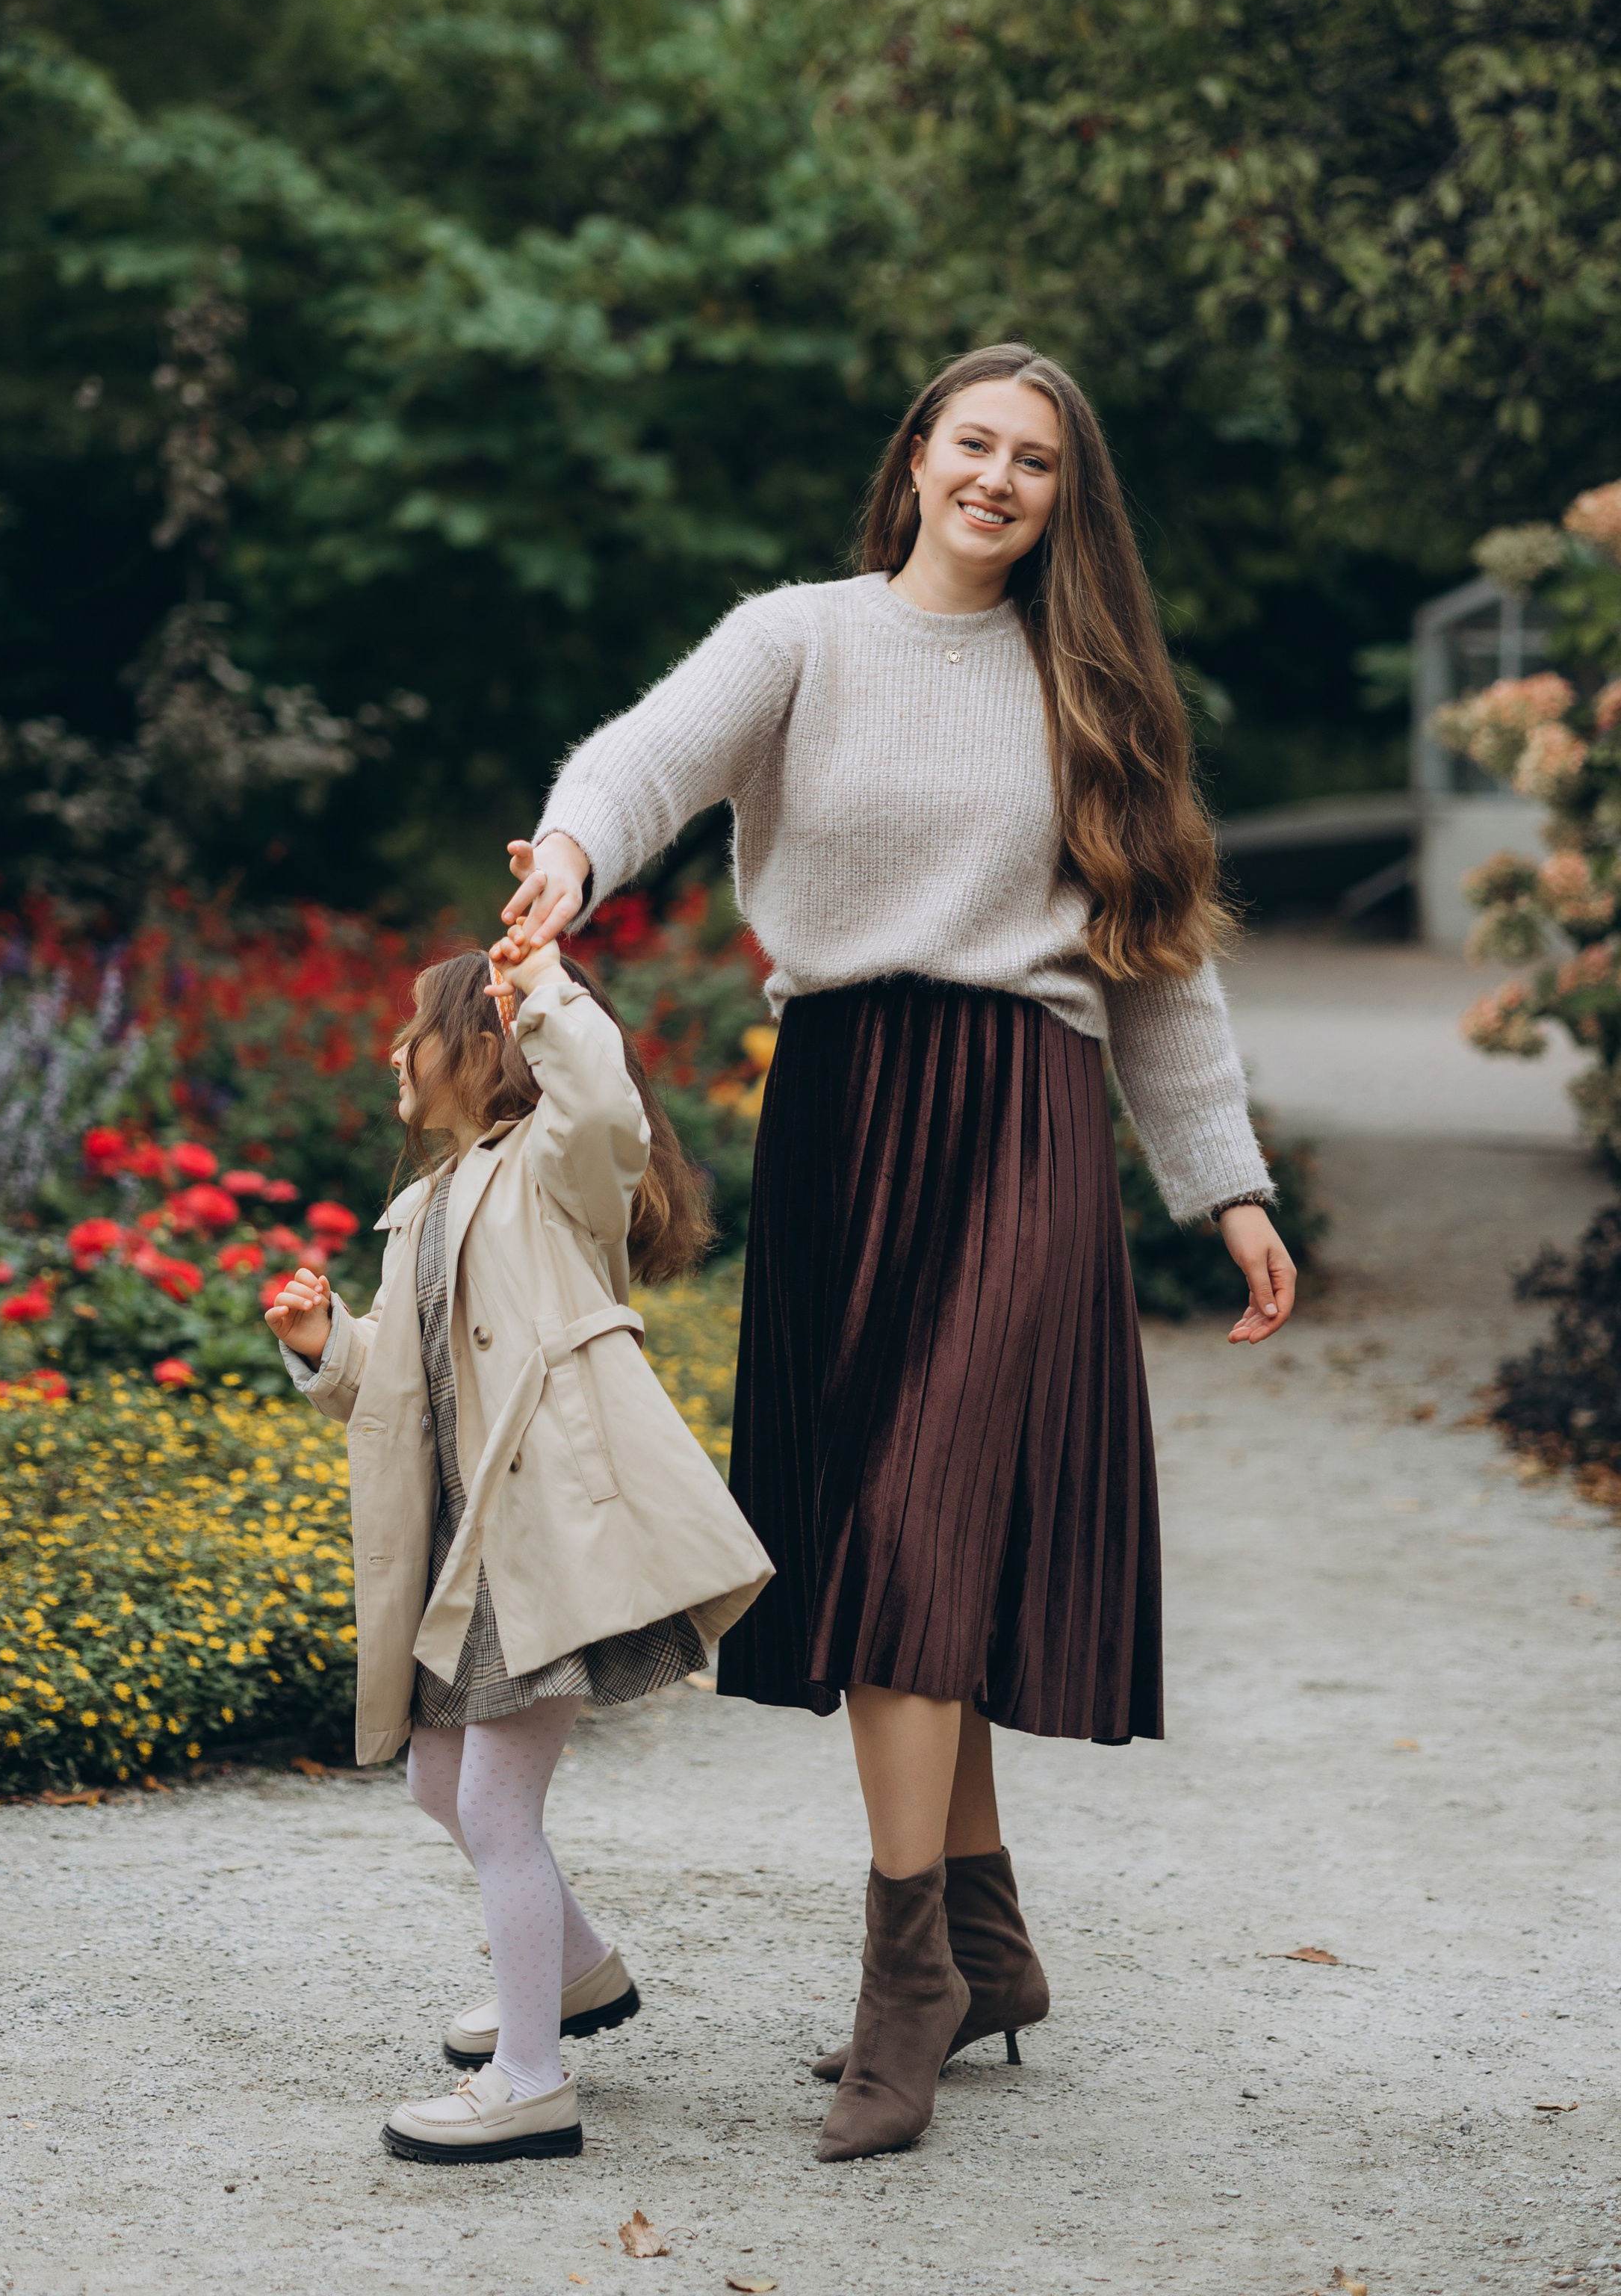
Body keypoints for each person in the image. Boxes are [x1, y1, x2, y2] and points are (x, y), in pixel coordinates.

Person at [502, 341, 1298, 2164]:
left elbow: (1157, 966)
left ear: (1059, 498)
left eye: (1033, 459)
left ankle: (904, 1979)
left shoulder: (1092, 693)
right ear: (918, 457)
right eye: (971, 443)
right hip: (844, 1119)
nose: (996, 478)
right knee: (877, 1543)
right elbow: (645, 760)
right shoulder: (802, 640)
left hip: (1019, 1120)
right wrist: (566, 851)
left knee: (926, 1533)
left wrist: (1225, 1189)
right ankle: (991, 1936)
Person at [265, 935, 771, 2167]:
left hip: (546, 1535)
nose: (395, 1050)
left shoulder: (558, 1171)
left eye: (417, 1030)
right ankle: (579, 1970)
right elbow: (414, 1382)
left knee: (494, 1801)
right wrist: (331, 1342)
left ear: (489, 1048)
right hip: (471, 1542)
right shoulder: (432, 1202)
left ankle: (531, 2082)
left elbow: (601, 1100)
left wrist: (539, 981)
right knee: (440, 1786)